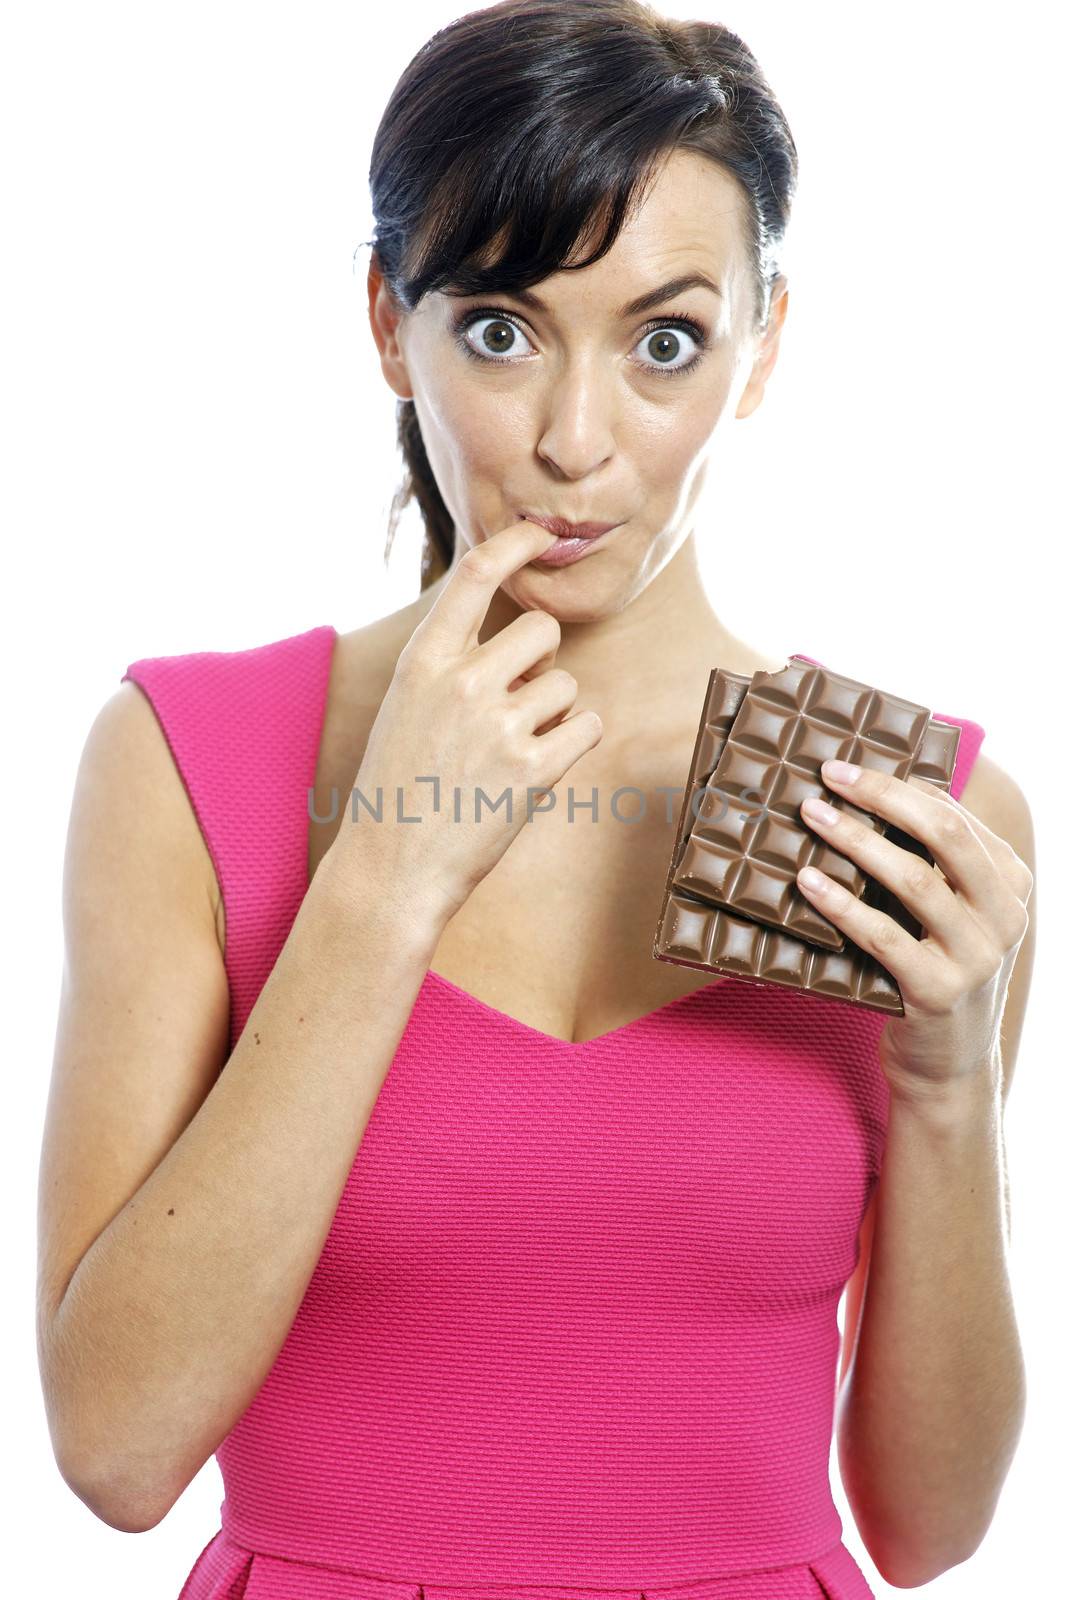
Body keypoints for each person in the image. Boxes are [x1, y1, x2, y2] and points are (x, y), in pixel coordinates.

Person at [37, 3, 1036, 1597]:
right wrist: (381, 885)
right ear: (388, 321)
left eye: (666, 342)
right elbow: (115, 1451)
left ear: (763, 348)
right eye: (502, 328)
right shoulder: (181, 761)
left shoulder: (929, 823)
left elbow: (931, 1530)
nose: (578, 445)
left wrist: (946, 1084)